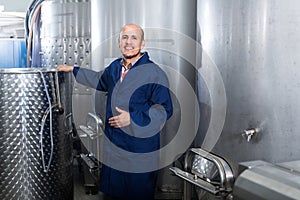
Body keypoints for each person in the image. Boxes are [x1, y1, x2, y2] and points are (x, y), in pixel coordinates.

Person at [57, 24, 173, 200]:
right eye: (125, 38)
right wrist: (74, 70)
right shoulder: (115, 67)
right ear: (119, 43)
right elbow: (99, 79)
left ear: (143, 44)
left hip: (139, 149)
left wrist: (132, 119)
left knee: (137, 193)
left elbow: (164, 109)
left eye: (134, 38)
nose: (128, 42)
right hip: (115, 145)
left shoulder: (154, 73)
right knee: (114, 192)